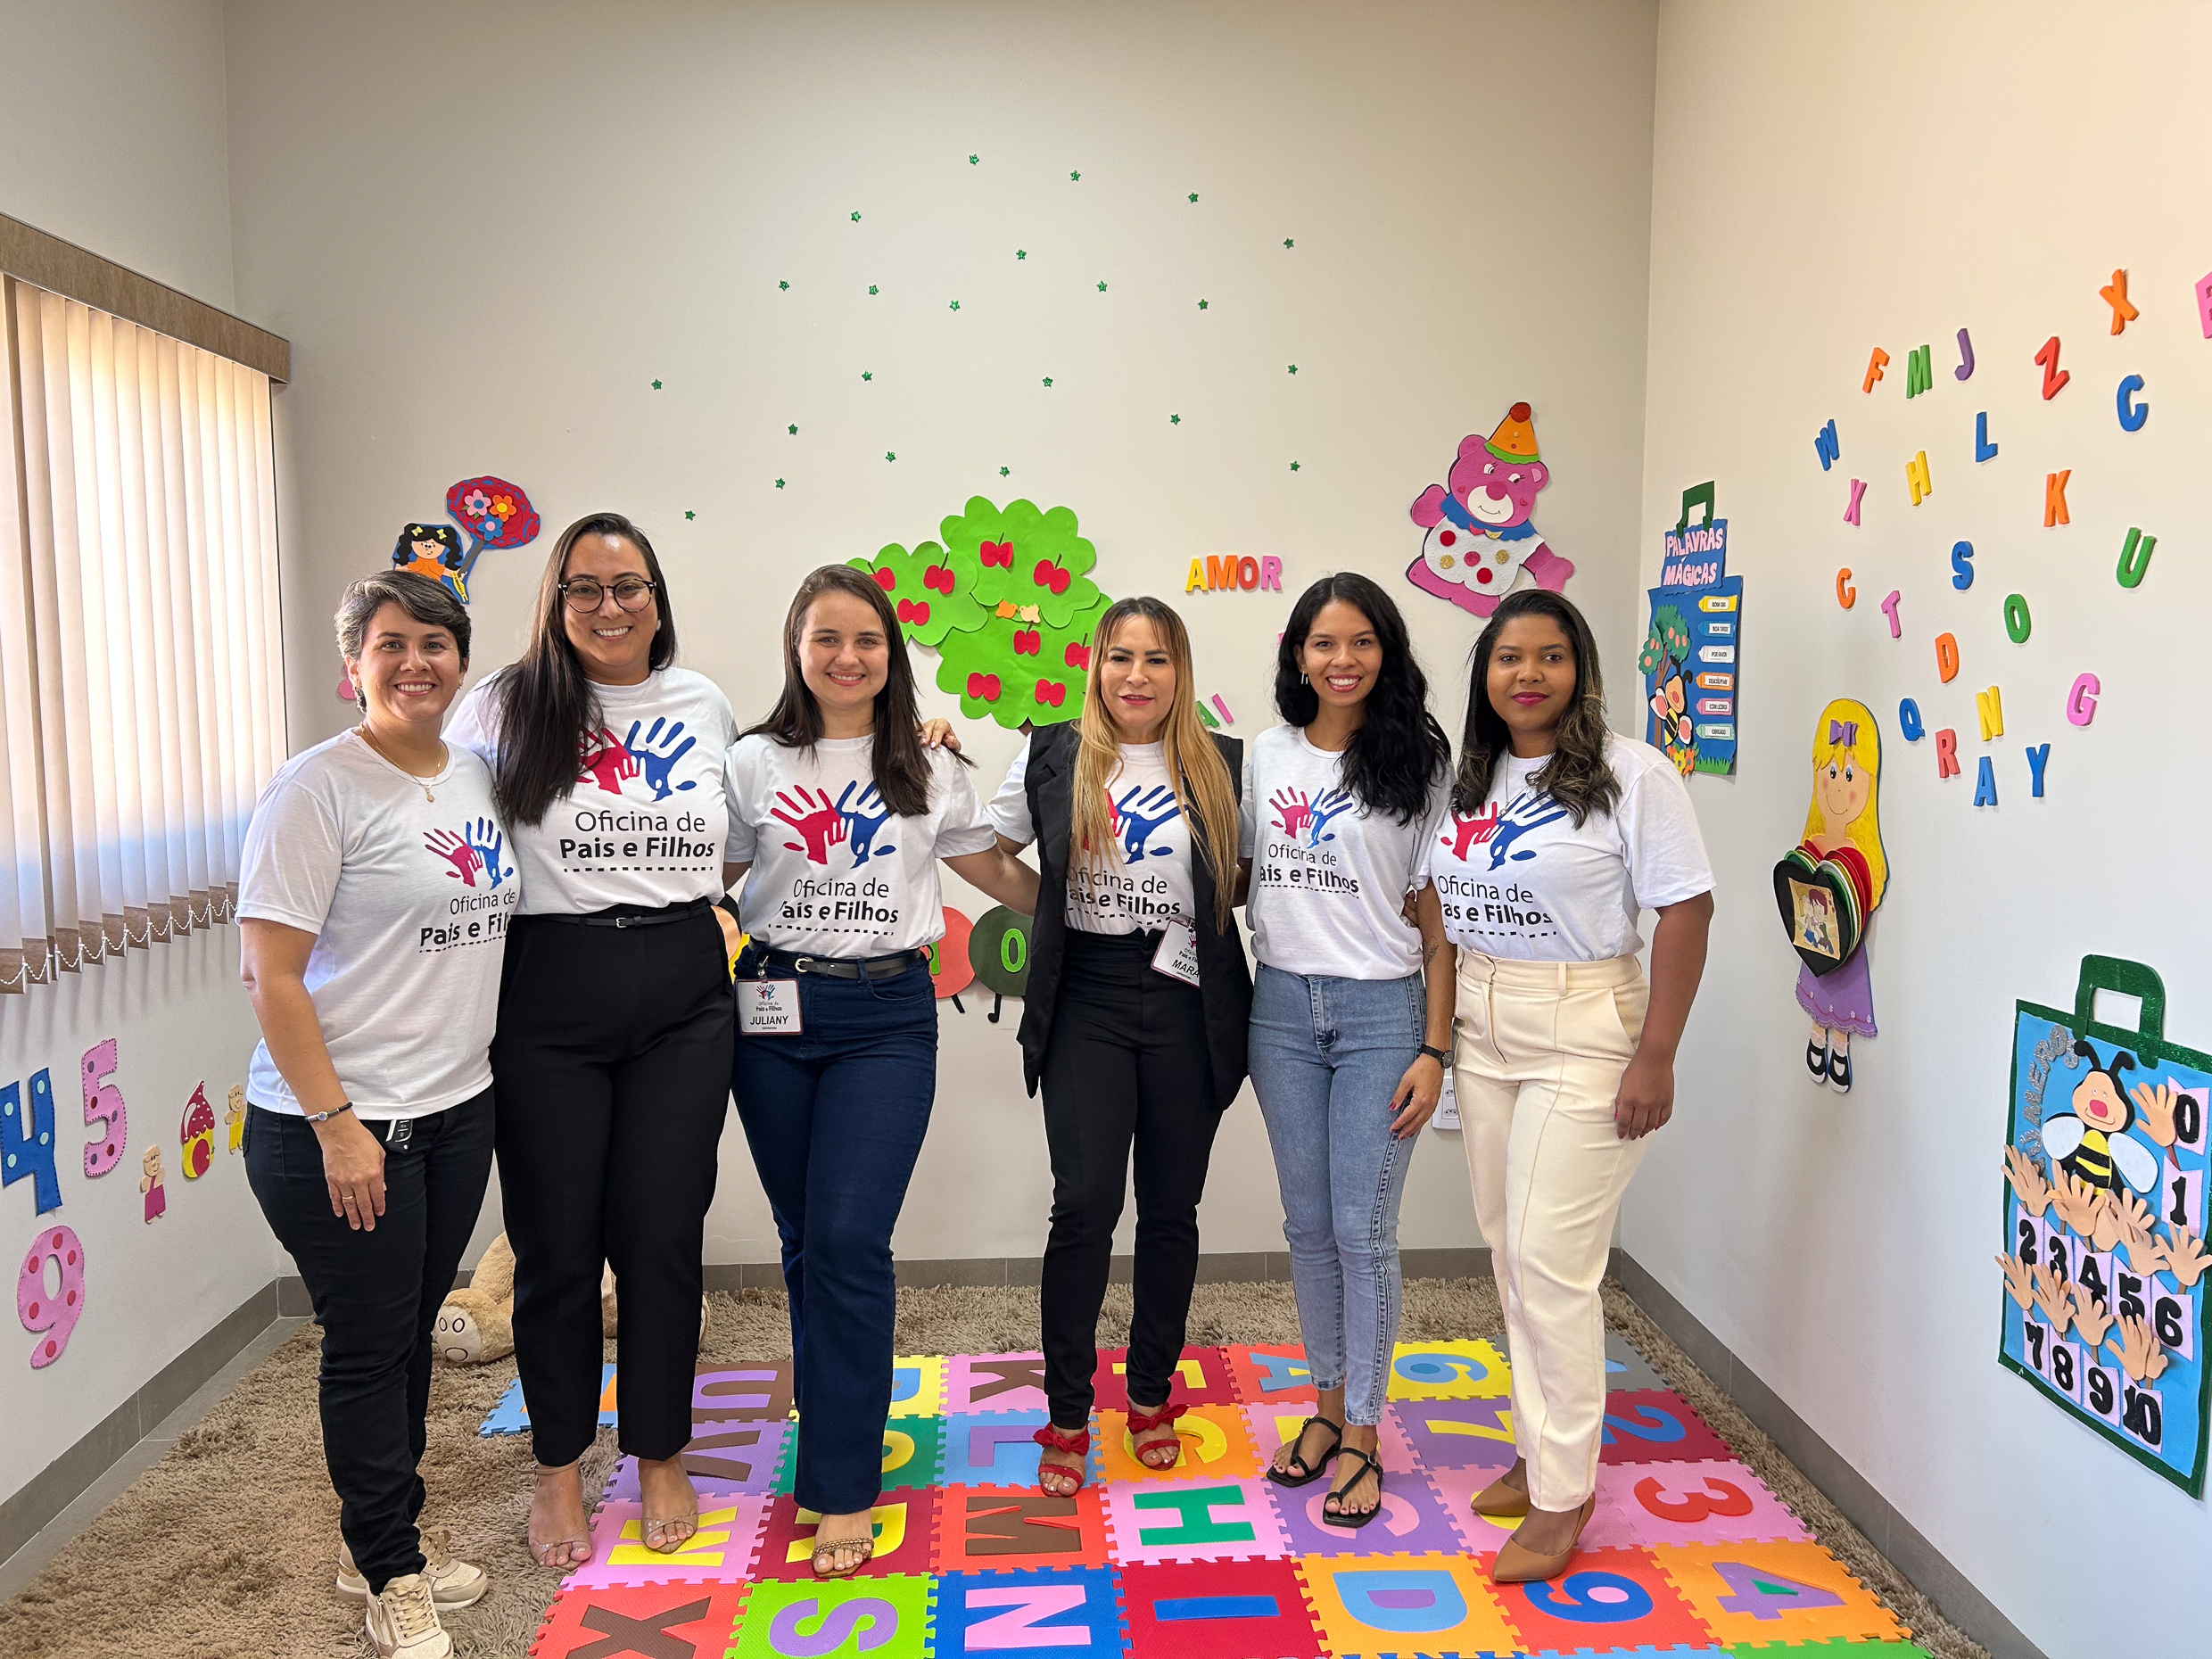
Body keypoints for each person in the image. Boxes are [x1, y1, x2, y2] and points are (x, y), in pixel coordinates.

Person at [724, 564, 1036, 1577]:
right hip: (770, 1009)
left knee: (849, 1237)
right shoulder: (751, 765)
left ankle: (841, 1482)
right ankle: (833, 1406)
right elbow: (700, 875)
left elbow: (993, 870)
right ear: (796, 649)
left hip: (885, 1016)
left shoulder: (927, 765)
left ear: (890, 652)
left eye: (866, 640)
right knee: (803, 1236)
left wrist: (1103, 909)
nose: (847, 657)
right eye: (826, 639)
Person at [444, 513, 737, 1569]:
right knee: (557, 1245)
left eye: (629, 586)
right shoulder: (504, 705)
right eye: (584, 588)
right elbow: (442, 817)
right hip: (548, 991)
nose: (609, 607)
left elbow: (744, 834)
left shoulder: (701, 703)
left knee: (661, 1237)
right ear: (555, 602)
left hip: (683, 991)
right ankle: (558, 1465)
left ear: (657, 597)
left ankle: (658, 1451)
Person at [239, 573, 506, 1659]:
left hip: (456, 1109)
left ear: (460, 660)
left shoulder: (475, 775)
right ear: (353, 662)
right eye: (390, 644)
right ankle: (389, 1575)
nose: (415, 663)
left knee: (405, 1340)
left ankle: (380, 1540)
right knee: (366, 1346)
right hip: (344, 1128)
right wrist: (337, 1124)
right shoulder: (316, 789)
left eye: (435, 643)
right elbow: (271, 978)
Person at [1430, 588, 1713, 1582]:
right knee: (1510, 1253)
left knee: (1553, 1264)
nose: (1527, 675)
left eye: (1549, 657)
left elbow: (1685, 910)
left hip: (1586, 1028)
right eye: (1508, 658)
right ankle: (1542, 1446)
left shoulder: (1633, 775)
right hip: (1483, 1021)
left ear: (1579, 670)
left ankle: (1564, 1495)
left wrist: (1656, 1054)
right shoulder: (1469, 776)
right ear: (1485, 674)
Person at [987, 597, 1250, 1498]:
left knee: (1170, 1212)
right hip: (1086, 998)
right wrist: (1052, 906)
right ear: (1094, 666)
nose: (1135, 676)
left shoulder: (1222, 764)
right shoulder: (1051, 752)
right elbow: (982, 853)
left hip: (1185, 1001)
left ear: (1180, 672)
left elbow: (1247, 879)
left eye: (1156, 659)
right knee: (1084, 1204)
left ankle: (1148, 1395)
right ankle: (1067, 1408)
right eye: (1119, 657)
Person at [1242, 574, 1455, 1526]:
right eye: (1322, 643)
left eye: (1360, 642)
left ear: (1386, 651)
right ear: (1297, 655)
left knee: (1362, 1231)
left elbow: (1436, 921)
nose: (1341, 660)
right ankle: (1323, 1409)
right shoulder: (1261, 757)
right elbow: (1233, 870)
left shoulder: (1417, 760)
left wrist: (1433, 1048)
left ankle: (1364, 1433)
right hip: (1279, 1009)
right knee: (1307, 1227)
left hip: (1380, 1015)